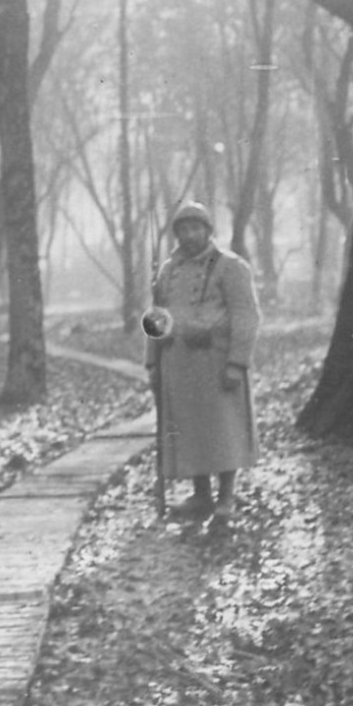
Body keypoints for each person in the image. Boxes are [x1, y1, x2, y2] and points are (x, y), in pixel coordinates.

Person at [144, 201, 260, 528]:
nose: (189, 235)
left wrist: (238, 362)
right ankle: (201, 494)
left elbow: (246, 316)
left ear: (208, 231)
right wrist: (152, 362)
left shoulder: (230, 266)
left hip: (217, 362)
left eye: (196, 228)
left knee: (223, 430)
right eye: (183, 229)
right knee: (190, 431)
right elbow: (155, 317)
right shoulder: (167, 270)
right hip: (177, 365)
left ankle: (226, 497)